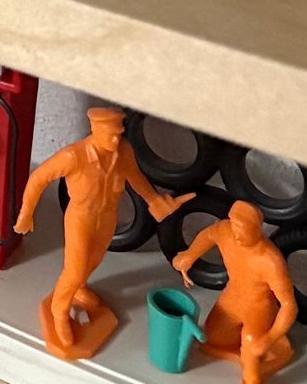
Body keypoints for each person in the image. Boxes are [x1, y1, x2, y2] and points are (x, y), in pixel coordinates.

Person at [14, 107, 191, 361]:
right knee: (74, 269)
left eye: (119, 134)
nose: (115, 140)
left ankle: (79, 288)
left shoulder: (123, 152)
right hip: (81, 218)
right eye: (111, 135)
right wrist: (26, 213)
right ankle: (60, 310)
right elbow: (39, 178)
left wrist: (156, 202)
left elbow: (136, 179)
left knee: (93, 261)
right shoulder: (73, 156)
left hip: (107, 217)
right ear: (95, 130)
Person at [173, 199, 298, 384]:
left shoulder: (270, 260)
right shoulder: (226, 231)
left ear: (257, 231)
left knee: (250, 341)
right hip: (232, 298)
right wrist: (189, 255)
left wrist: (268, 339)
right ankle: (248, 351)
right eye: (235, 227)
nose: (238, 236)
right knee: (212, 338)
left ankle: (252, 383)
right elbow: (208, 235)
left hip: (258, 307)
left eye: (244, 231)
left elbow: (289, 305)